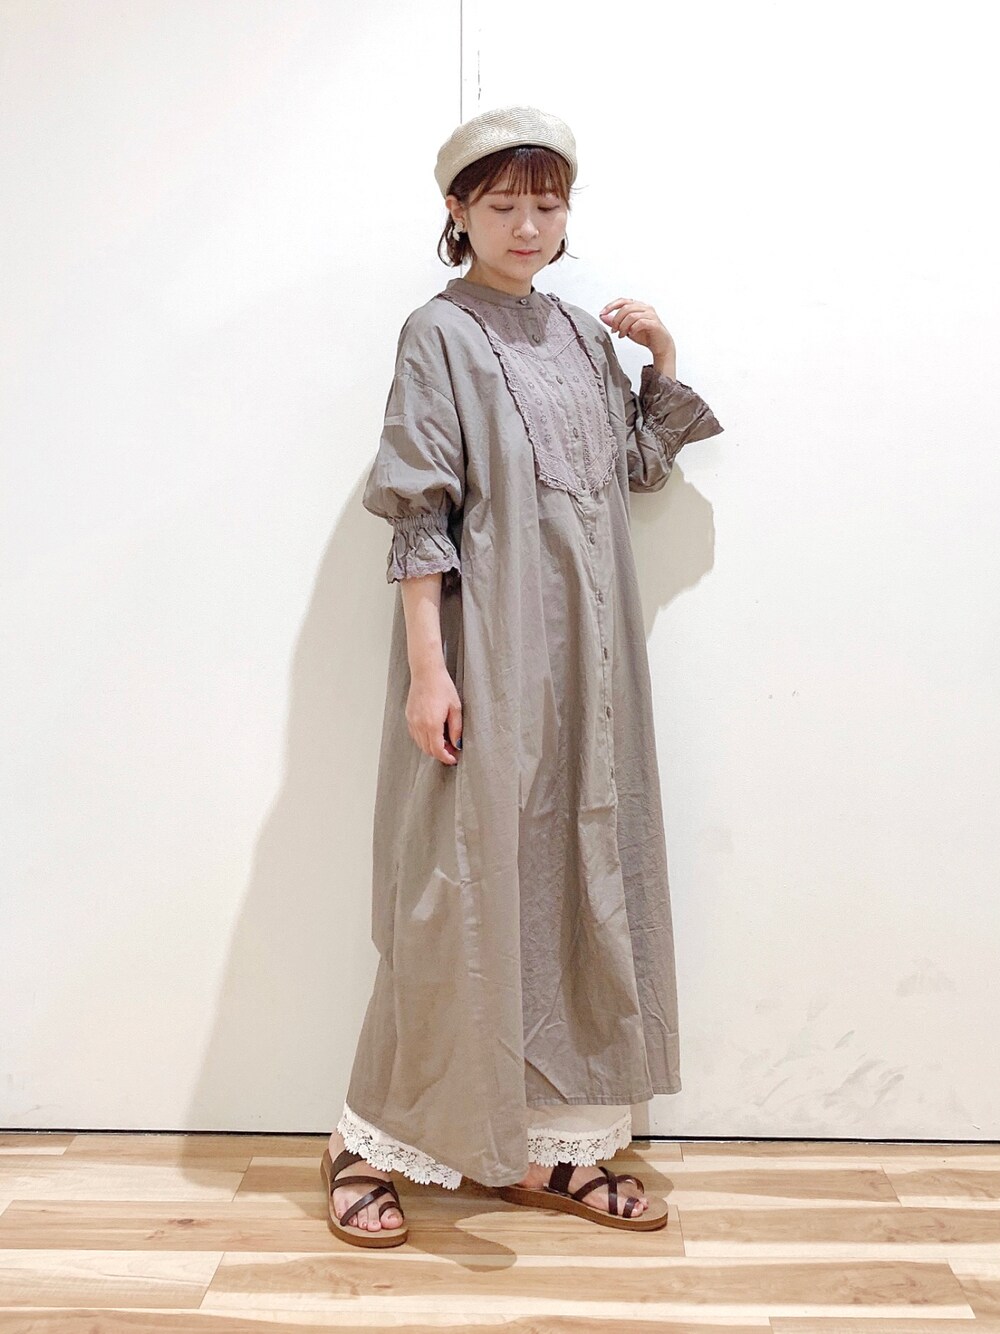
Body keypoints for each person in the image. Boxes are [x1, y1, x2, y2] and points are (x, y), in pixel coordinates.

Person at [320, 105, 724, 1247]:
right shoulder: (437, 334)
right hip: (485, 653)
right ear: (457, 211)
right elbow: (420, 510)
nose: (529, 225)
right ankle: (368, 1140)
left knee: (581, 878)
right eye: (503, 204)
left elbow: (634, 468)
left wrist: (660, 361)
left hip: (594, 664)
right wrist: (427, 672)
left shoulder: (584, 338)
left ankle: (555, 1143)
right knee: (457, 891)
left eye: (548, 204)